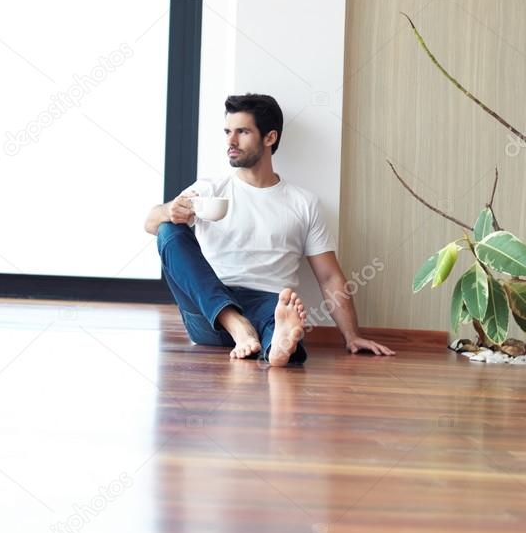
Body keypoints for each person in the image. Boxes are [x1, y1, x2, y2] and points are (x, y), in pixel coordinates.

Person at [144, 93, 395, 367]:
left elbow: (329, 276)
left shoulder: (303, 203)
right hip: (210, 309)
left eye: (242, 132)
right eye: (228, 131)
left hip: (269, 304)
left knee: (280, 317)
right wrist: (169, 211)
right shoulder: (209, 190)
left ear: (270, 137)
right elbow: (150, 223)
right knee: (169, 231)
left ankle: (277, 348)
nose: (230, 141)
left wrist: (352, 336)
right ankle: (237, 324)